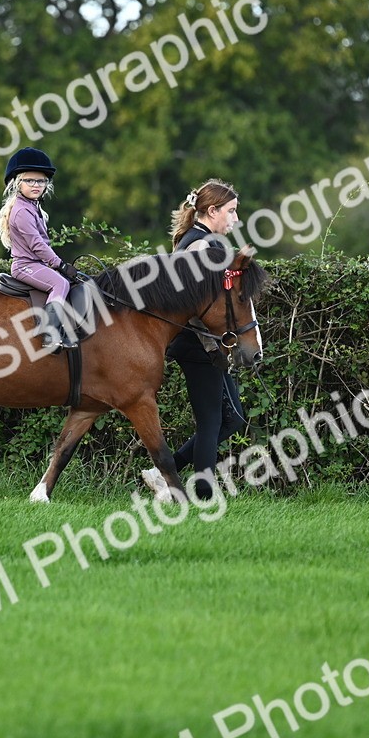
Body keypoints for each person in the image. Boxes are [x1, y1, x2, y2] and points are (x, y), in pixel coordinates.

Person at [142, 178, 247, 500]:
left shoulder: (195, 240)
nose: (236, 219)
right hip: (200, 346)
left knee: (232, 419)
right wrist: (217, 346)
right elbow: (202, 306)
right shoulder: (205, 246)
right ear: (212, 210)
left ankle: (164, 472)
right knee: (212, 421)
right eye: (231, 211)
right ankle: (203, 494)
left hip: (198, 345)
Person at [0, 147, 80, 353]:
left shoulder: (33, 207)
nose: (36, 185)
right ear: (17, 183)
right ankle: (49, 335)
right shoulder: (22, 211)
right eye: (30, 180)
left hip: (36, 265)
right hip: (25, 267)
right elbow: (37, 246)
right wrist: (60, 265)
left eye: (41, 181)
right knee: (60, 284)